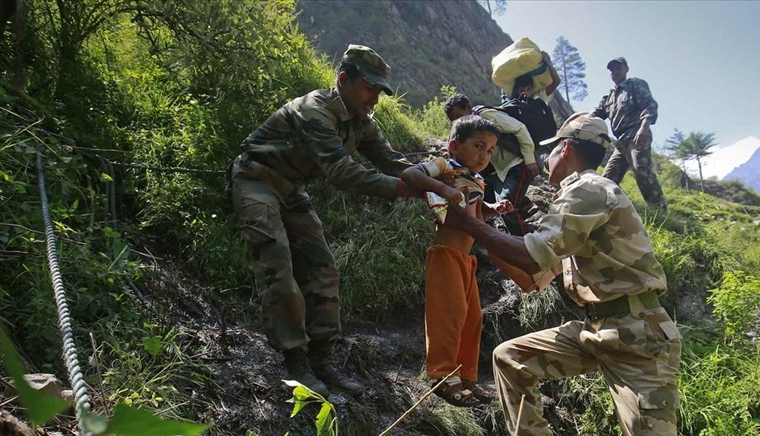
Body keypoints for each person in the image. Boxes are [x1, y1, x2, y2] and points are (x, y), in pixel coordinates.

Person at [443, 113, 728, 436]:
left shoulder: (588, 189)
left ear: (568, 150)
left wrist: (469, 225)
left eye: (553, 147)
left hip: (639, 340)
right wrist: (486, 229)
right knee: (512, 358)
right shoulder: (579, 201)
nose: (548, 155)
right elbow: (533, 278)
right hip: (602, 329)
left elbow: (533, 254)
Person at [228, 45, 423, 396]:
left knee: (324, 268)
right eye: (369, 88)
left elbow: (392, 161)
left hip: (290, 189)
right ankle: (295, 361)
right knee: (277, 260)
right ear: (344, 79)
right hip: (256, 180)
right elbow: (342, 173)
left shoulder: (361, 123)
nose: (375, 98)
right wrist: (407, 191)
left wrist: (438, 178)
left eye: (379, 91)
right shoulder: (314, 109)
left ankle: (322, 359)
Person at [400, 115, 512, 406]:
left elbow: (473, 214)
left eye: (489, 150)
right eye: (478, 146)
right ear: (453, 145)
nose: (484, 155)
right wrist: (442, 188)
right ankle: (441, 375)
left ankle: (465, 377)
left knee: (471, 318)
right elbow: (410, 174)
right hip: (446, 253)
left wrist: (492, 209)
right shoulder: (445, 165)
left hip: (467, 259)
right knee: (448, 316)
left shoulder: (476, 179)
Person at [444, 93, 539, 236]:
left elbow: (520, 128)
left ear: (468, 107)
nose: (459, 121)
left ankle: (526, 243)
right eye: (454, 120)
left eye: (459, 116)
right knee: (480, 192)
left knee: (506, 206)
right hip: (501, 172)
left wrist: (530, 161)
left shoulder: (486, 115)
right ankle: (522, 204)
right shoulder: (468, 129)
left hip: (517, 165)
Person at [593, 57, 668, 209]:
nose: (615, 72)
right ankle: (605, 209)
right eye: (612, 70)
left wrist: (644, 127)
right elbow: (594, 115)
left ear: (626, 69)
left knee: (641, 170)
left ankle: (659, 210)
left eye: (618, 68)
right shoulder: (608, 98)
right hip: (621, 142)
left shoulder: (635, 85)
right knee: (607, 178)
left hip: (636, 133)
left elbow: (649, 105)